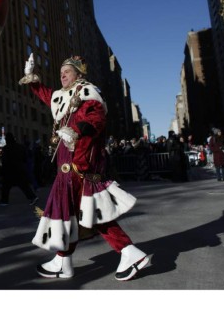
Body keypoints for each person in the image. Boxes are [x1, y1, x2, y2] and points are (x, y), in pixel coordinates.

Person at [19, 54, 149, 281]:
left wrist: (77, 130)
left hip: (80, 167)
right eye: (61, 72)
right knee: (68, 215)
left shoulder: (88, 93)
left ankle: (130, 254)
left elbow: (97, 120)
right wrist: (32, 79)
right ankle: (63, 261)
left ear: (78, 74)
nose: (62, 75)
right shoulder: (64, 96)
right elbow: (47, 95)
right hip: (67, 169)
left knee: (92, 215)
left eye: (67, 71)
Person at [0, 132, 39, 206]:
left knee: (6, 186)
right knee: (23, 185)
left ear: (7, 139)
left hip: (10, 170)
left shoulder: (6, 148)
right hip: (20, 169)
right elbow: (25, 158)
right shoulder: (20, 147)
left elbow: (4, 161)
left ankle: (4, 201)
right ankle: (32, 196)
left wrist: (3, 170)